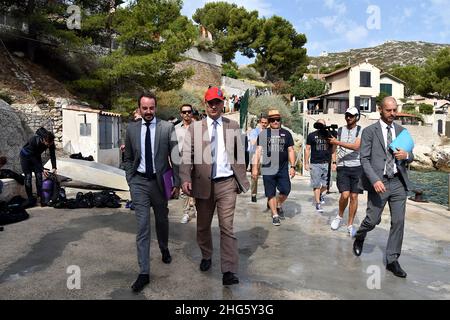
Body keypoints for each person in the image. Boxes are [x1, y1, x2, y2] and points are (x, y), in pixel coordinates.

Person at [180, 86, 249, 286]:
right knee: (202, 226)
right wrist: (185, 177)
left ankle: (228, 270)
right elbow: (186, 156)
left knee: (227, 227)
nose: (213, 106)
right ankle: (206, 255)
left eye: (217, 102)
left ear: (222, 104)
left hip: (227, 184)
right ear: (205, 104)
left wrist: (239, 180)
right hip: (202, 184)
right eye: (210, 102)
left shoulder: (232, 126)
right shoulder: (195, 127)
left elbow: (239, 154)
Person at [123, 92, 180, 293]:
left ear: (155, 108)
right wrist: (130, 180)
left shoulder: (167, 128)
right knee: (143, 226)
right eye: (144, 108)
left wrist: (177, 182)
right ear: (139, 108)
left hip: (159, 183)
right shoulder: (131, 129)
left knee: (162, 221)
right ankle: (144, 272)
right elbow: (128, 158)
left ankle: (164, 247)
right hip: (139, 183)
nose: (148, 112)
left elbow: (176, 157)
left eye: (151, 108)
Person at [353, 96, 414, 278]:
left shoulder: (402, 131)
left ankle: (392, 260)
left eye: (395, 110)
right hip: (378, 182)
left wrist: (407, 155)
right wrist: (374, 180)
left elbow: (410, 155)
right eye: (389, 110)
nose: (392, 113)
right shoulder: (369, 131)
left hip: (398, 182)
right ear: (381, 109)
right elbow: (364, 158)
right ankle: (360, 235)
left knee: (399, 221)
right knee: (372, 220)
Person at [252, 110, 296, 226]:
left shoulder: (286, 134)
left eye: (277, 119)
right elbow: (258, 151)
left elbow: (291, 150)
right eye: (272, 120)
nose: (275, 122)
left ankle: (277, 203)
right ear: (269, 121)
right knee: (270, 192)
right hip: (268, 167)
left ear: (280, 120)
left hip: (282, 168)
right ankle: (275, 215)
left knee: (286, 189)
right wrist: (255, 168)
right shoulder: (263, 134)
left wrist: (293, 166)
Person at [328, 107, 363, 237]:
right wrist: (333, 161)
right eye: (347, 115)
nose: (349, 118)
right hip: (343, 166)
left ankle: (350, 224)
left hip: (357, 166)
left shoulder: (361, 130)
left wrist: (337, 141)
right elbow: (334, 147)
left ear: (357, 117)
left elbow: (356, 146)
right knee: (345, 195)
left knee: (354, 196)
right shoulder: (340, 130)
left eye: (352, 116)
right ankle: (339, 216)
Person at [20, 127, 57, 207]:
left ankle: (41, 198)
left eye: (50, 144)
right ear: (43, 140)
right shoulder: (33, 140)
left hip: (36, 156)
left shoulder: (50, 142)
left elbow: (52, 155)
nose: (48, 146)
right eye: (47, 144)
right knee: (28, 177)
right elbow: (32, 157)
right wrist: (42, 168)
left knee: (39, 176)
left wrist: (54, 167)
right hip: (26, 156)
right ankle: (30, 199)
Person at [304, 119, 333, 213]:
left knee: (328, 184)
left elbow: (334, 149)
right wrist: (306, 163)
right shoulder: (311, 135)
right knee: (316, 184)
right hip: (315, 163)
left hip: (326, 163)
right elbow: (307, 149)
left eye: (323, 125)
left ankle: (320, 194)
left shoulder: (329, 135)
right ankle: (318, 203)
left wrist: (334, 163)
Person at [175, 103, 197, 224]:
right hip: (182, 162)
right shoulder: (176, 129)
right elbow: (173, 147)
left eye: (189, 111)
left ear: (192, 113)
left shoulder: (199, 127)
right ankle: (185, 213)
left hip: (197, 162)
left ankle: (198, 209)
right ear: (181, 114)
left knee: (197, 187)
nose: (186, 114)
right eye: (184, 112)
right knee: (184, 189)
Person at [248, 115, 269, 203]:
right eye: (262, 122)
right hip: (256, 154)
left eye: (265, 123)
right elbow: (253, 143)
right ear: (260, 122)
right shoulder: (255, 131)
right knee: (254, 175)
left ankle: (269, 195)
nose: (264, 124)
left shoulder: (269, 131)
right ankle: (253, 194)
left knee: (268, 176)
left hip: (267, 155)